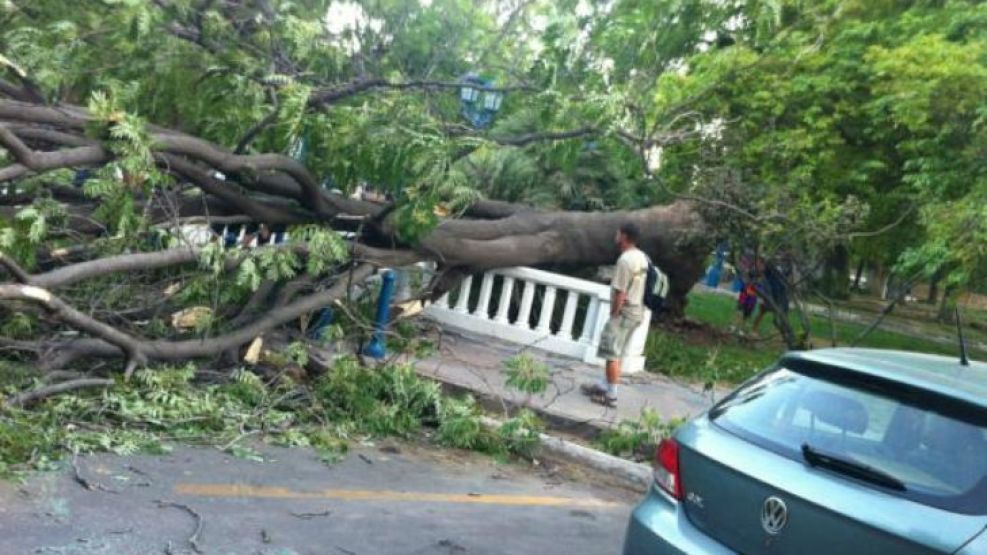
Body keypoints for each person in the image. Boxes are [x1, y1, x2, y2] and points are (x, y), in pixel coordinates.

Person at [581, 222, 648, 407]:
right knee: (617, 352)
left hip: (624, 313)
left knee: (611, 354)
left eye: (618, 233)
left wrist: (614, 313)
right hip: (636, 311)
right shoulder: (641, 257)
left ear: (624, 236)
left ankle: (611, 396)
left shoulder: (625, 260)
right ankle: (604, 385)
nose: (615, 235)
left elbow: (620, 292)